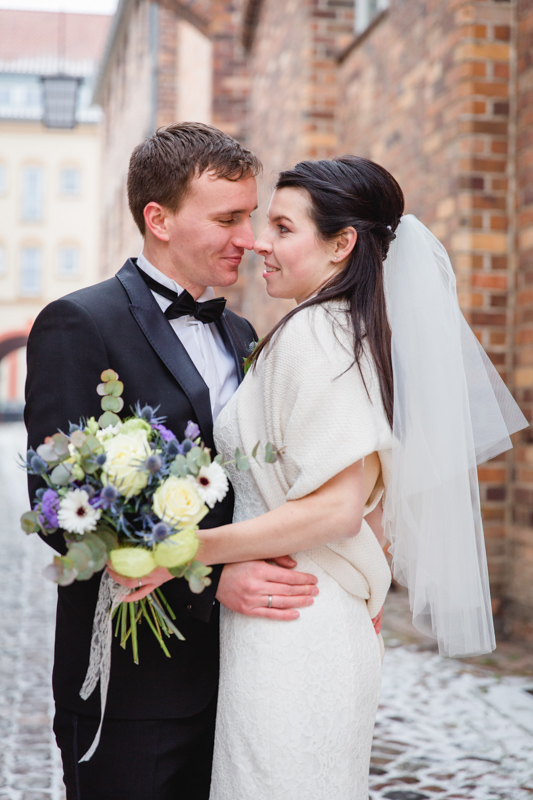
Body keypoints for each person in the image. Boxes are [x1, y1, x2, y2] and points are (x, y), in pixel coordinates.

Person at [123, 154, 527, 799]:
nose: (261, 242)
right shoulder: (352, 331)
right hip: (311, 617)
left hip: (291, 631)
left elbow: (336, 509)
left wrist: (180, 553)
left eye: (283, 228)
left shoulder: (318, 334)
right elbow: (369, 500)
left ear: (342, 243)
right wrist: (356, 588)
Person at [24, 122, 321, 800]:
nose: (247, 238)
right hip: (133, 686)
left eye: (250, 216)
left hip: (244, 677)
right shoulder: (79, 322)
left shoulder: (240, 332)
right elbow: (62, 520)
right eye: (227, 218)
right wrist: (212, 582)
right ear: (157, 218)